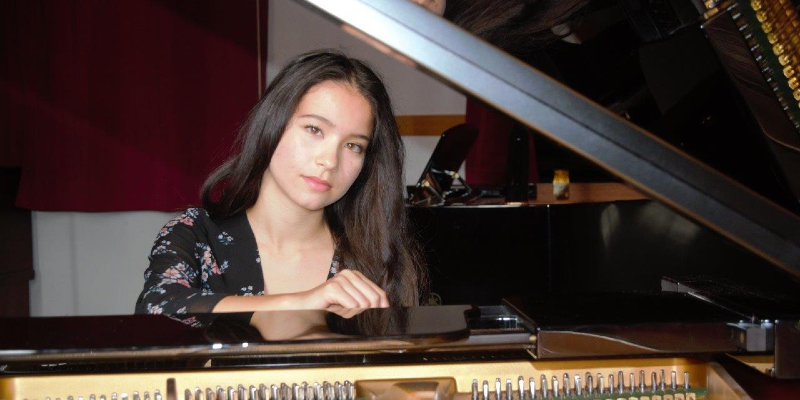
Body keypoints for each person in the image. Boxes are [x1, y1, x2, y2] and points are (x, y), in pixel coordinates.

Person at [134, 50, 426, 323]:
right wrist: (302, 303)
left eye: (353, 145)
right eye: (314, 129)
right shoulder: (196, 232)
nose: (329, 161)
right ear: (271, 124)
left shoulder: (376, 252)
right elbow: (157, 308)